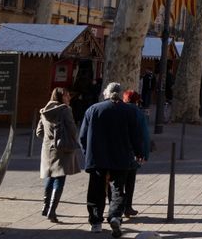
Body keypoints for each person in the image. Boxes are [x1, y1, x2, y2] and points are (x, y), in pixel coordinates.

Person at [79, 82, 144, 237]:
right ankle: (115, 216)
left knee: (96, 189)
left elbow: (82, 136)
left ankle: (96, 222)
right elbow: (136, 135)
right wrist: (139, 152)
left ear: (105, 93)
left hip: (97, 157)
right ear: (120, 94)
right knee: (117, 189)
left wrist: (87, 153)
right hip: (120, 156)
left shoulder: (93, 109)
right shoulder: (129, 111)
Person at [36, 87, 82, 223]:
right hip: (63, 149)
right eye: (67, 96)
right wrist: (71, 138)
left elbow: (39, 132)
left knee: (50, 177)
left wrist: (49, 138)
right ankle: (52, 211)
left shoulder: (44, 110)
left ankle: (45, 207)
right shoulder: (65, 110)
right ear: (61, 97)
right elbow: (72, 129)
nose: (69, 98)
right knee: (60, 178)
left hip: (47, 149)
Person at [121, 90, 150, 219]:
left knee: (117, 182)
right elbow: (144, 135)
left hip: (117, 151)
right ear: (137, 101)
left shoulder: (117, 110)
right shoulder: (139, 113)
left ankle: (117, 207)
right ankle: (127, 207)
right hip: (132, 151)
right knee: (130, 180)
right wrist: (144, 154)